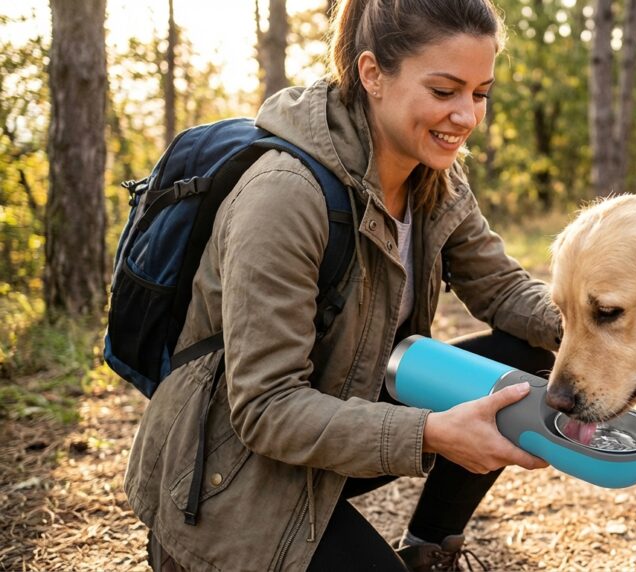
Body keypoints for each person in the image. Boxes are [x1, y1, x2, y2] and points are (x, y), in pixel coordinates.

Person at [123, 0, 563, 570]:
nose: (467, 116)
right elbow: (265, 408)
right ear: (372, 73)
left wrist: (613, 332)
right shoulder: (285, 195)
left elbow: (504, 293)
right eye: (444, 90)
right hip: (227, 475)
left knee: (531, 364)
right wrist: (432, 433)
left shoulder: (435, 180)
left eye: (479, 93)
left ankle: (430, 551)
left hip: (330, 432)